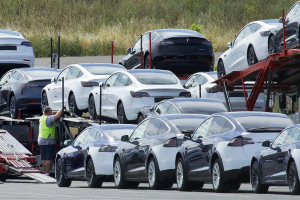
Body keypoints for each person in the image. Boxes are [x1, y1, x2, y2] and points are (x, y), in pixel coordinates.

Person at [38, 106, 62, 176]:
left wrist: (54, 111)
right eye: (51, 111)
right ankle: (47, 173)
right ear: (49, 112)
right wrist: (62, 109)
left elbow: (53, 113)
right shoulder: (49, 118)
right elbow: (57, 116)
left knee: (44, 159)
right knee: (49, 158)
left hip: (41, 140)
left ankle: (45, 173)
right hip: (48, 141)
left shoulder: (42, 117)